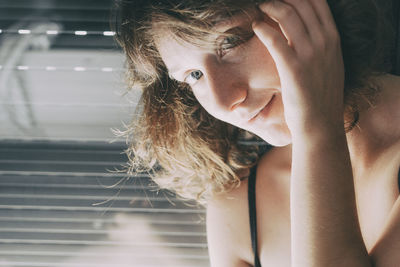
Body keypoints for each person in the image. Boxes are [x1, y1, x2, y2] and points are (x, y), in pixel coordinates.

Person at [112, 0, 400, 266]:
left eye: (230, 42)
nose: (223, 100)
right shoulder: (237, 207)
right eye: (194, 75)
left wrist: (317, 130)